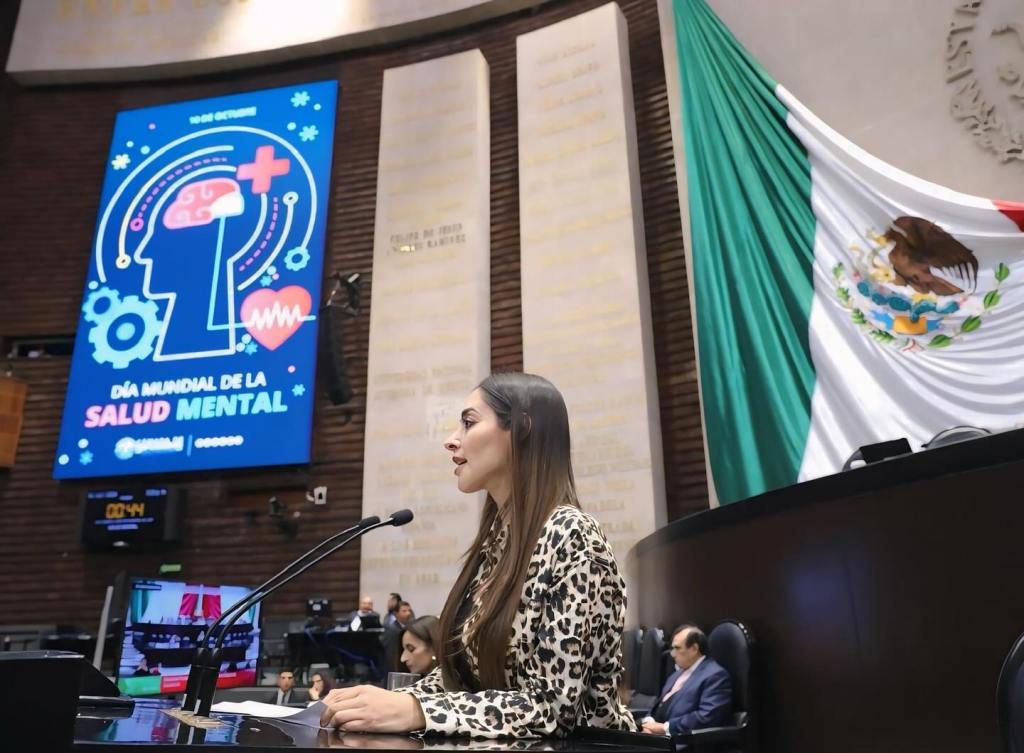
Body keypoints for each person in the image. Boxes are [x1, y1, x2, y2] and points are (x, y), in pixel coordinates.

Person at [321, 372, 637, 738]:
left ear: (521, 429)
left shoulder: (573, 536)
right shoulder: (497, 544)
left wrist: (416, 710)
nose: (450, 440)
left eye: (469, 423)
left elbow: (552, 711)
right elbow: (464, 681)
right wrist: (374, 703)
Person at [639, 625, 732, 741]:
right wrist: (649, 722)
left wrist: (665, 728)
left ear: (694, 648)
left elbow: (706, 717)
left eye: (677, 648)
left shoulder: (715, 676)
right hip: (657, 738)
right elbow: (658, 705)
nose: (672, 654)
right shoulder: (676, 674)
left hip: (683, 742)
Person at [381, 601, 416, 672]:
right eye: (404, 611)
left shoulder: (409, 628)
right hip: (394, 669)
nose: (408, 613)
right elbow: (390, 654)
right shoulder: (392, 630)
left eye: (409, 610)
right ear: (395, 613)